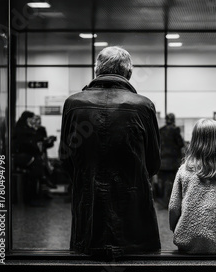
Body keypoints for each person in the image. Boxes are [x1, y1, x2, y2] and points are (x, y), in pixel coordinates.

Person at [59, 46, 161, 259]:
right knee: (134, 260)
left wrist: (86, 178)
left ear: (96, 70)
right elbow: (153, 162)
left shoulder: (73, 104)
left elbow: (66, 159)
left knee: (86, 259)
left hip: (88, 208)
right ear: (129, 73)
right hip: (132, 210)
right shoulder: (143, 106)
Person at [169, 118, 216, 254]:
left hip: (186, 240)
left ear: (194, 141)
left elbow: (173, 207)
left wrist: (176, 229)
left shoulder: (184, 170)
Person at [12, 111, 49, 206]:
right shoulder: (22, 129)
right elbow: (26, 142)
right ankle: (31, 196)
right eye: (33, 118)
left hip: (28, 155)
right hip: (22, 156)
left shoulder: (23, 127)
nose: (34, 120)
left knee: (38, 163)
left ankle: (41, 180)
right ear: (28, 119)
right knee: (36, 166)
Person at [156, 113, 185, 209]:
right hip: (172, 161)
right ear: (173, 120)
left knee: (163, 181)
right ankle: (170, 201)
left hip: (162, 161)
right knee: (172, 182)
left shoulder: (161, 130)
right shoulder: (175, 130)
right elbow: (180, 144)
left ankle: (163, 200)